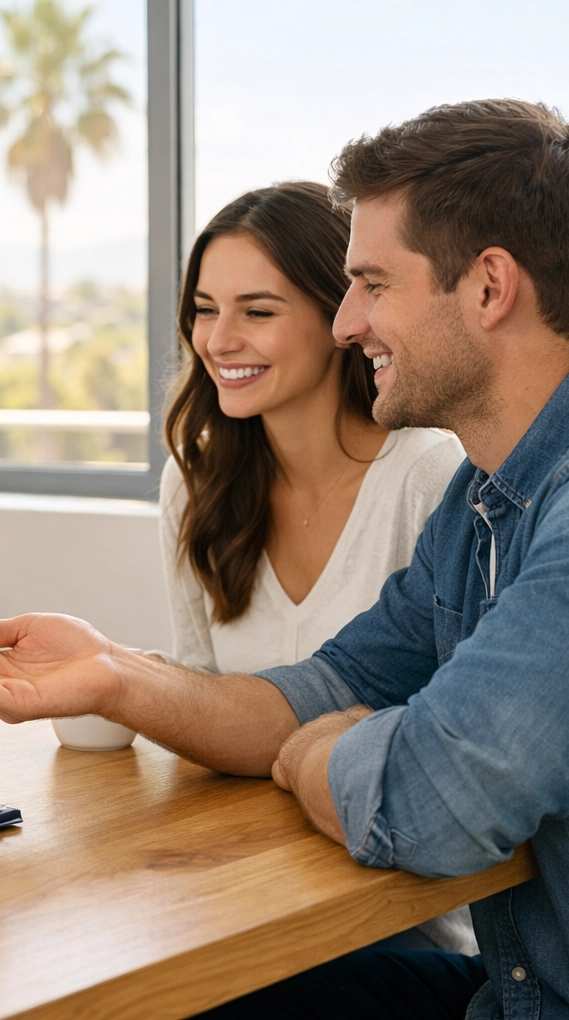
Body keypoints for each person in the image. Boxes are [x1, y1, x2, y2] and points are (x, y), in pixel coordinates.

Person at [0, 99, 569, 1019]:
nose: (349, 321)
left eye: (373, 284)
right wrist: (113, 674)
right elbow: (318, 691)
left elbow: (433, 805)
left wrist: (321, 750)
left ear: (489, 288)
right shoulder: (485, 498)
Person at [162, 182, 469, 953]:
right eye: (205, 309)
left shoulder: (428, 475)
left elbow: (455, 741)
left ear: (341, 318)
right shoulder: (195, 479)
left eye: (258, 312)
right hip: (247, 887)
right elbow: (196, 697)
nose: (219, 340)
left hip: (402, 915)